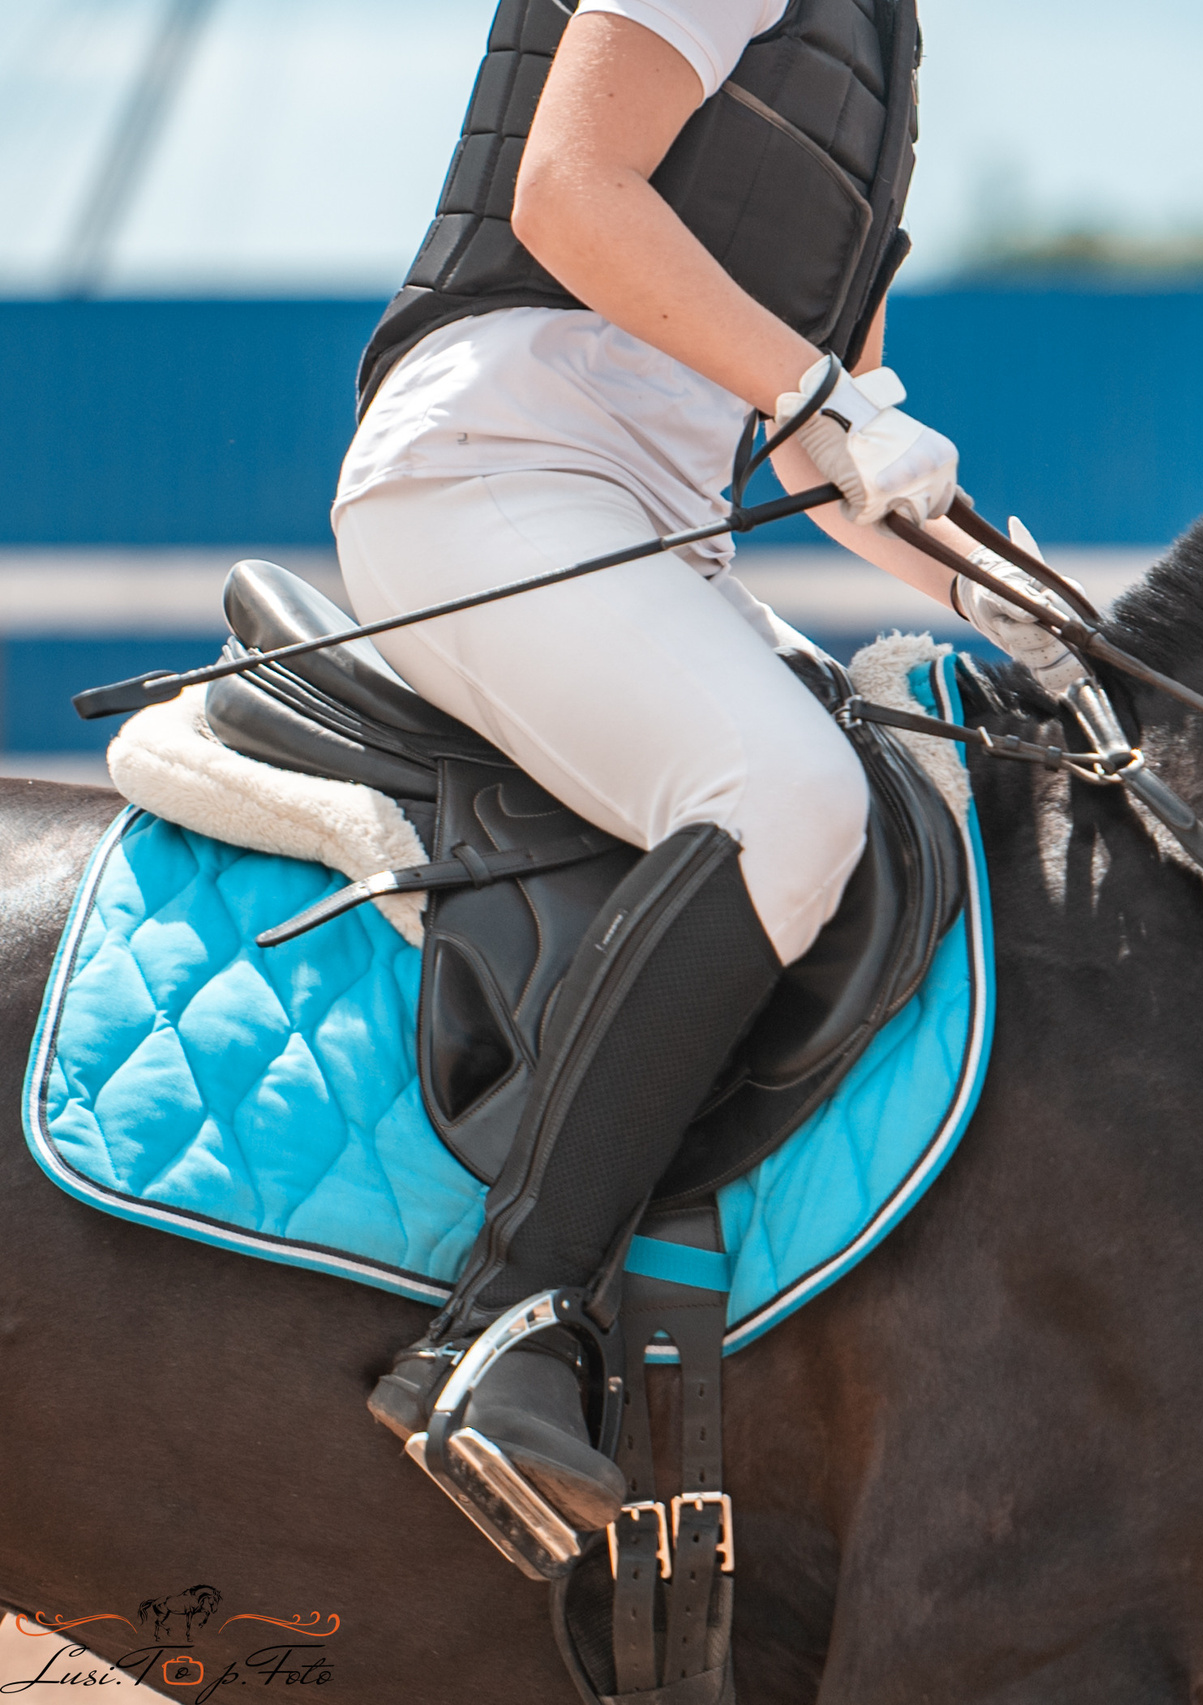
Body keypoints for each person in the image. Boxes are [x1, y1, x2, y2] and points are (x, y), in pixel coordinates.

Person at [340, 0, 1058, 1531]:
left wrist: (1005, 594)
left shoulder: (882, 78)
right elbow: (569, 190)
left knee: (930, 793)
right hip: (495, 474)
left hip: (654, 530)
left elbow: (832, 447)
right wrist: (822, 399)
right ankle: (504, 1320)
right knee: (785, 799)